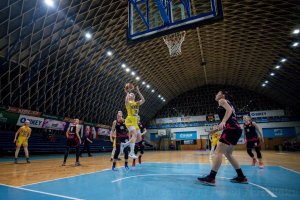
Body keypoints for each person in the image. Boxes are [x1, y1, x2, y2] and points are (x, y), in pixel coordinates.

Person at [198, 90, 248, 186]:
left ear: (222, 95)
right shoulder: (230, 104)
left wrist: (223, 121)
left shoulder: (222, 101)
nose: (216, 94)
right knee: (228, 154)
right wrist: (214, 130)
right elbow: (228, 118)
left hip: (231, 129)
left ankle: (211, 178)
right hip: (237, 129)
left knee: (218, 152)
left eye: (217, 93)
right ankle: (241, 176)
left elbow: (228, 113)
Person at [121, 84, 145, 159]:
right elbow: (126, 100)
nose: (132, 94)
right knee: (134, 135)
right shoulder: (128, 103)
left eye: (133, 94)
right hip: (129, 120)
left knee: (139, 138)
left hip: (135, 121)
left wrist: (138, 91)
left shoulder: (136, 103)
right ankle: (131, 153)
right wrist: (128, 92)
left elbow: (143, 100)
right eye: (131, 94)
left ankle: (124, 145)